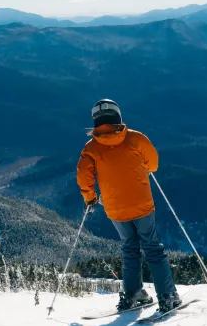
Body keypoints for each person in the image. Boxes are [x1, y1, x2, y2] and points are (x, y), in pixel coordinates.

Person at [76, 99, 181, 313]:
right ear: (118, 116)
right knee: (152, 248)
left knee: (129, 249)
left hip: (115, 209)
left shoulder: (91, 148)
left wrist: (90, 197)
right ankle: (167, 296)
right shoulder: (135, 138)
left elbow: (83, 175)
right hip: (142, 204)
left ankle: (133, 294)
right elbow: (153, 164)